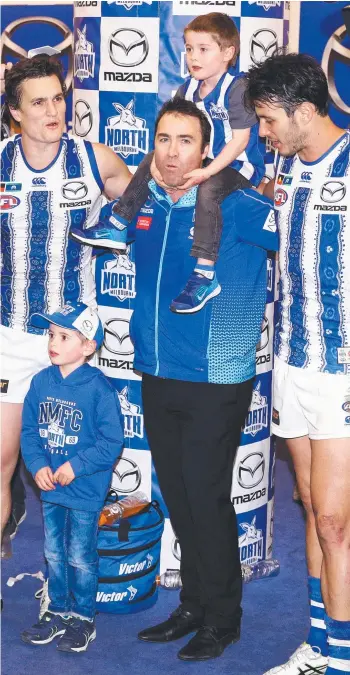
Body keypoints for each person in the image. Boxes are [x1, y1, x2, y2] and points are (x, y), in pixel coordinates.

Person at [98, 97, 278, 661]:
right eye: (164, 139)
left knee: (205, 494)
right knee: (179, 493)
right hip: (156, 368)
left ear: (207, 150)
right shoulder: (146, 202)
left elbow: (291, 242)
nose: (172, 153)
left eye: (185, 142)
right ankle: (195, 605)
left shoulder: (236, 202)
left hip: (216, 376)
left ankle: (224, 619)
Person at [0, 54, 131, 554]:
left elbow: (146, 195)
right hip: (10, 336)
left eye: (59, 98)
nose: (53, 110)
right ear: (15, 112)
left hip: (72, 339)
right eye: (39, 103)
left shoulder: (94, 158)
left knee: (73, 460)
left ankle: (70, 582)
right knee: (4, 458)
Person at [245, 53, 350, 675]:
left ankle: (343, 657)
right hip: (292, 359)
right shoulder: (284, 165)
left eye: (267, 119)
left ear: (305, 112)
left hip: (343, 367)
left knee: (336, 520)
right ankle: (320, 645)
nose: (262, 132)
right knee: (312, 506)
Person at [71, 12, 265, 314]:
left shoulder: (237, 87)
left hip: (239, 166)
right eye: (188, 49)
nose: (193, 57)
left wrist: (205, 172)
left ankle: (204, 273)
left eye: (203, 49)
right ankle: (118, 224)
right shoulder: (186, 89)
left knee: (210, 188)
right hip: (207, 160)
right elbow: (175, 136)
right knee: (151, 158)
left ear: (228, 53)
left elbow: (240, 141)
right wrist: (161, 168)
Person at [20, 302, 124, 652]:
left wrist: (75, 466)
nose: (54, 342)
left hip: (84, 491)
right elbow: (30, 433)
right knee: (53, 551)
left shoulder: (99, 389)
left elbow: (112, 442)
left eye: (65, 336)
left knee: (80, 553)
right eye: (52, 334)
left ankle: (82, 618)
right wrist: (37, 466)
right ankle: (57, 610)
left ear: (88, 346)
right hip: (51, 490)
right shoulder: (41, 381)